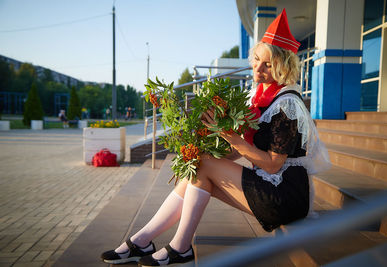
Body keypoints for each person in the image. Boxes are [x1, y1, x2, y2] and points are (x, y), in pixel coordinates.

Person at [101, 9, 330, 266]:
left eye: (268, 64)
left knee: (204, 166)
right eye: (256, 59)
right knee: (200, 165)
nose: (258, 68)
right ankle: (145, 240)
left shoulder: (287, 104)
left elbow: (273, 164)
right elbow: (244, 149)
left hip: (285, 196)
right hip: (269, 184)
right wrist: (207, 141)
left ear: (282, 67)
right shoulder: (261, 97)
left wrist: (232, 139)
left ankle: (177, 247)